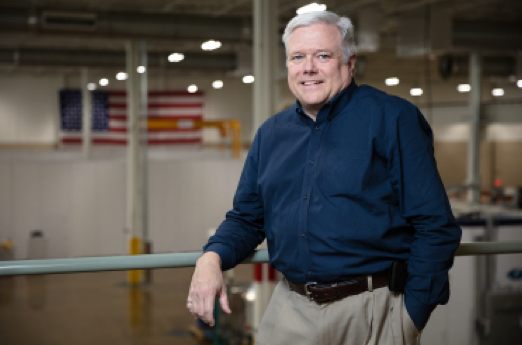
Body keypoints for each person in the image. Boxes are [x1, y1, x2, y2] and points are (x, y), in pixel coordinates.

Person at [187, 11, 462, 345]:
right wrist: (211, 257)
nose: (308, 68)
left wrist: (410, 317)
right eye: (298, 57)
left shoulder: (392, 118)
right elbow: (247, 218)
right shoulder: (271, 134)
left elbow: (435, 224)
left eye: (322, 56)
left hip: (371, 312)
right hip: (289, 309)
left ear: (349, 62)